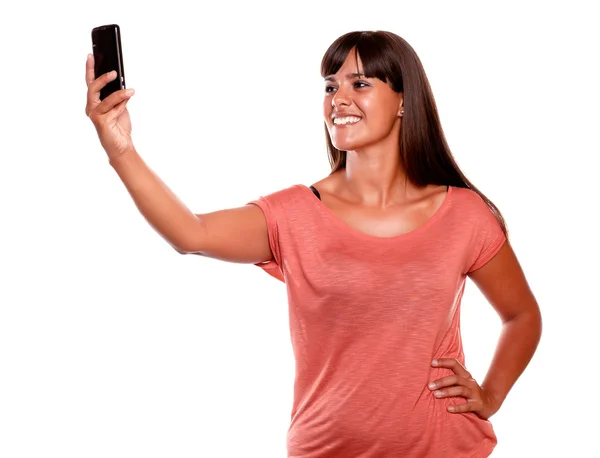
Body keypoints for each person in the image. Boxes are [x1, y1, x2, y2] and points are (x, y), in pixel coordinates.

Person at [85, 30, 542, 458]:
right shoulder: (294, 214)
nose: (338, 99)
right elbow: (191, 234)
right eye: (329, 86)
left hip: (444, 447)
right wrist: (121, 151)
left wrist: (491, 394)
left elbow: (521, 315)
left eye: (359, 83)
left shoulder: (464, 214)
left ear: (404, 101)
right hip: (325, 449)